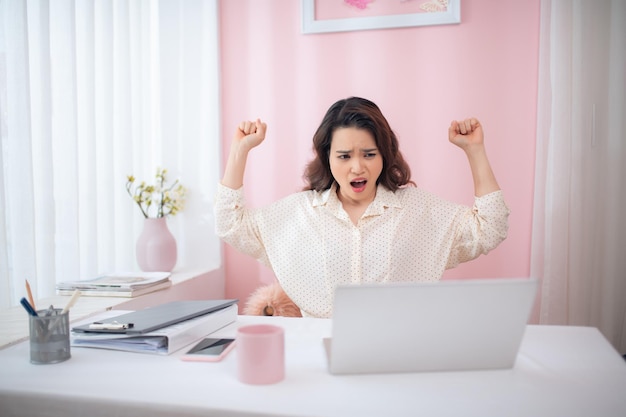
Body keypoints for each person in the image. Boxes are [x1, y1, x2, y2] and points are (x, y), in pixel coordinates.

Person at [215, 97, 509, 318]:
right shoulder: (298, 213)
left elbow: (490, 228)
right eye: (344, 156)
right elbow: (230, 224)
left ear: (385, 154)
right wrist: (240, 151)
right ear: (327, 158)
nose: (358, 167)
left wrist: (475, 151)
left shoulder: (416, 208)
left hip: (397, 357)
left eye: (369, 154)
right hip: (318, 357)